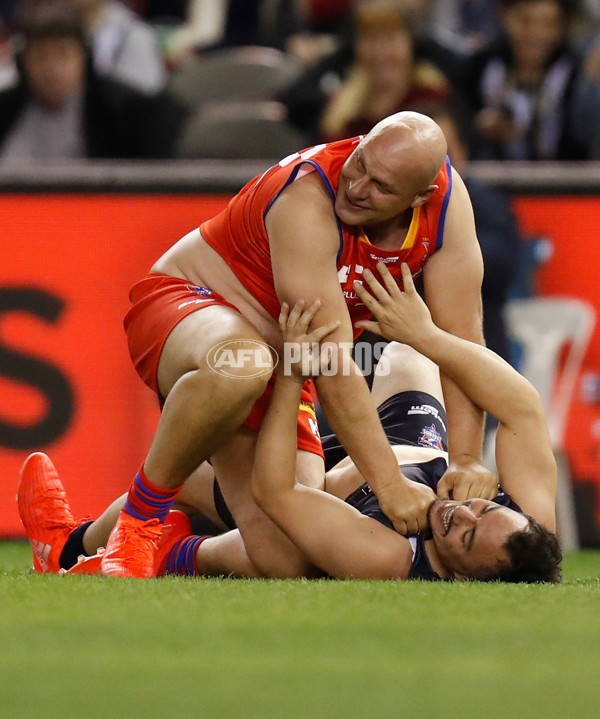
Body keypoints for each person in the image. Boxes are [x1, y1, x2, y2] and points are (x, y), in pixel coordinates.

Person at [48, 108, 491, 580]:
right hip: (186, 302)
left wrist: (466, 459)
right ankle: (140, 523)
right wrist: (389, 484)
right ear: (360, 141)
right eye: (359, 163)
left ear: (422, 196)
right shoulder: (306, 197)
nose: (357, 186)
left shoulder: (447, 206)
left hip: (282, 358)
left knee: (287, 557)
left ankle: (72, 544)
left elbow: (462, 342)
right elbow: (330, 361)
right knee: (242, 366)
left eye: (381, 187)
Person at [17, 264, 561, 581]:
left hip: (312, 499)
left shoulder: (386, 554)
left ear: (465, 579)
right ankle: (129, 539)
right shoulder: (527, 528)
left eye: (463, 539)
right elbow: (522, 406)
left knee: (274, 545)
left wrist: (291, 376)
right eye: (482, 508)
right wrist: (426, 335)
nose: (458, 512)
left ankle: (93, 547)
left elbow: (277, 491)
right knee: (408, 359)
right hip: (393, 456)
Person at [0, 1, 185, 160]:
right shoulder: (7, 109)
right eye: (41, 57)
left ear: (84, 58)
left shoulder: (120, 111)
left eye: (62, 54)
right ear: (23, 64)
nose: (51, 68)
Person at [319, 0, 451, 143]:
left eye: (390, 39)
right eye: (371, 39)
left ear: (410, 44)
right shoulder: (342, 112)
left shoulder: (431, 98)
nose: (381, 52)